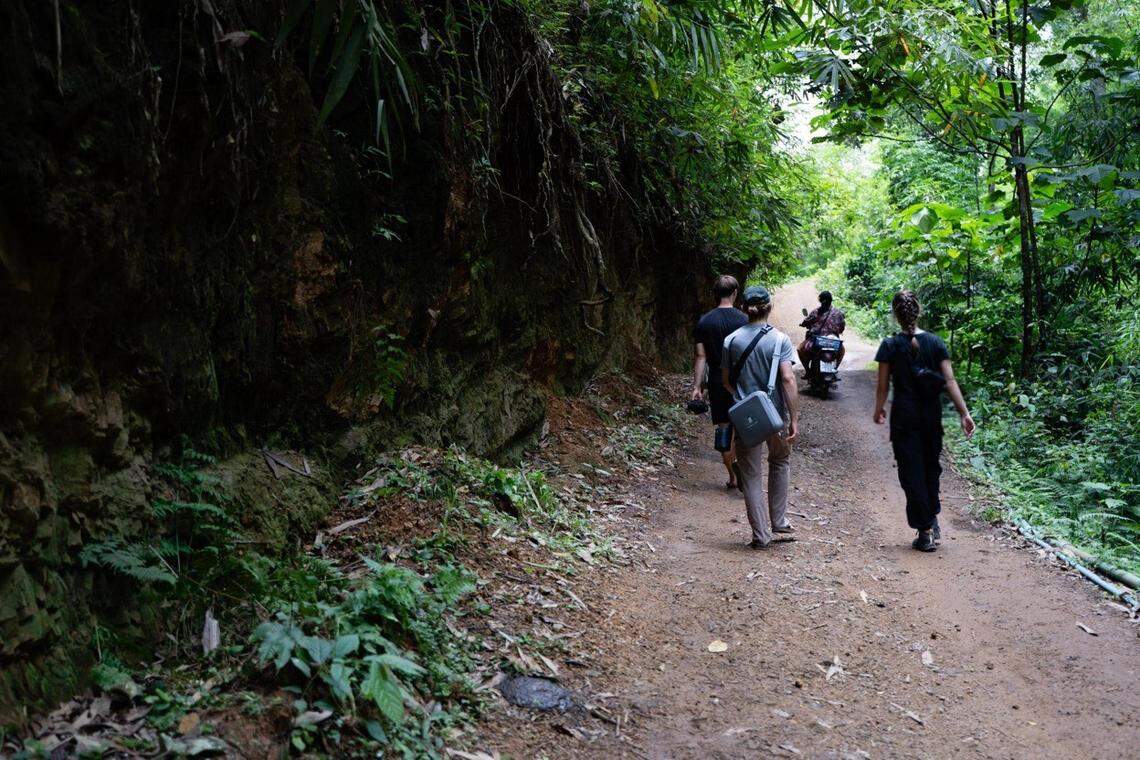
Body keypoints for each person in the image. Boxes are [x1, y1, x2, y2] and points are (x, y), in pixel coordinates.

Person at [873, 290, 976, 552]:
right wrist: (964, 412)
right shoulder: (936, 342)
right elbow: (950, 381)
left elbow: (883, 385)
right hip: (931, 417)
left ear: (896, 315)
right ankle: (931, 517)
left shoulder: (890, 345)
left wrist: (879, 409)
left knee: (911, 472)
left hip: (905, 417)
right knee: (931, 468)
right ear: (918, 311)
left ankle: (926, 530)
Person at [721, 285, 800, 549]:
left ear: (743, 308)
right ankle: (779, 521)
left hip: (747, 419)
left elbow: (725, 381)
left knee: (751, 474)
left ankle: (761, 535)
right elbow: (787, 379)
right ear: (769, 307)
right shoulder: (780, 340)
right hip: (775, 415)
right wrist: (794, 418)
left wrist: (744, 399)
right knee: (779, 460)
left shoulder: (731, 340)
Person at [691, 275, 749, 490]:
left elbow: (701, 357)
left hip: (717, 381)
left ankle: (733, 474)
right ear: (735, 293)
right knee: (743, 429)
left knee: (724, 428)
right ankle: (744, 467)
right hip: (743, 382)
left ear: (715, 293)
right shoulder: (745, 321)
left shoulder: (704, 321)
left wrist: (697, 387)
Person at [797, 290, 846, 370]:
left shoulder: (815, 312)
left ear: (821, 300)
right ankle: (835, 368)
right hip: (833, 342)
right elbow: (842, 327)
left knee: (800, 349)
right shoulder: (838, 313)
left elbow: (806, 321)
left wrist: (803, 324)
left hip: (816, 341)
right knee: (842, 351)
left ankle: (807, 371)